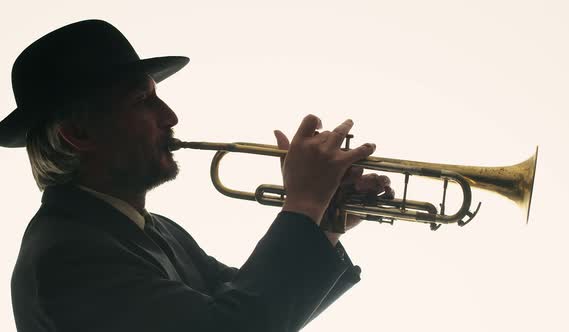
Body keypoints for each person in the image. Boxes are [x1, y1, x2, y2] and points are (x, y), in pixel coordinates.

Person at [3, 20, 391, 331]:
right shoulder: (65, 257)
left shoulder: (153, 229)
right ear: (79, 133)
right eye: (142, 100)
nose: (170, 117)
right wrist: (304, 203)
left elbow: (258, 308)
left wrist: (324, 220)